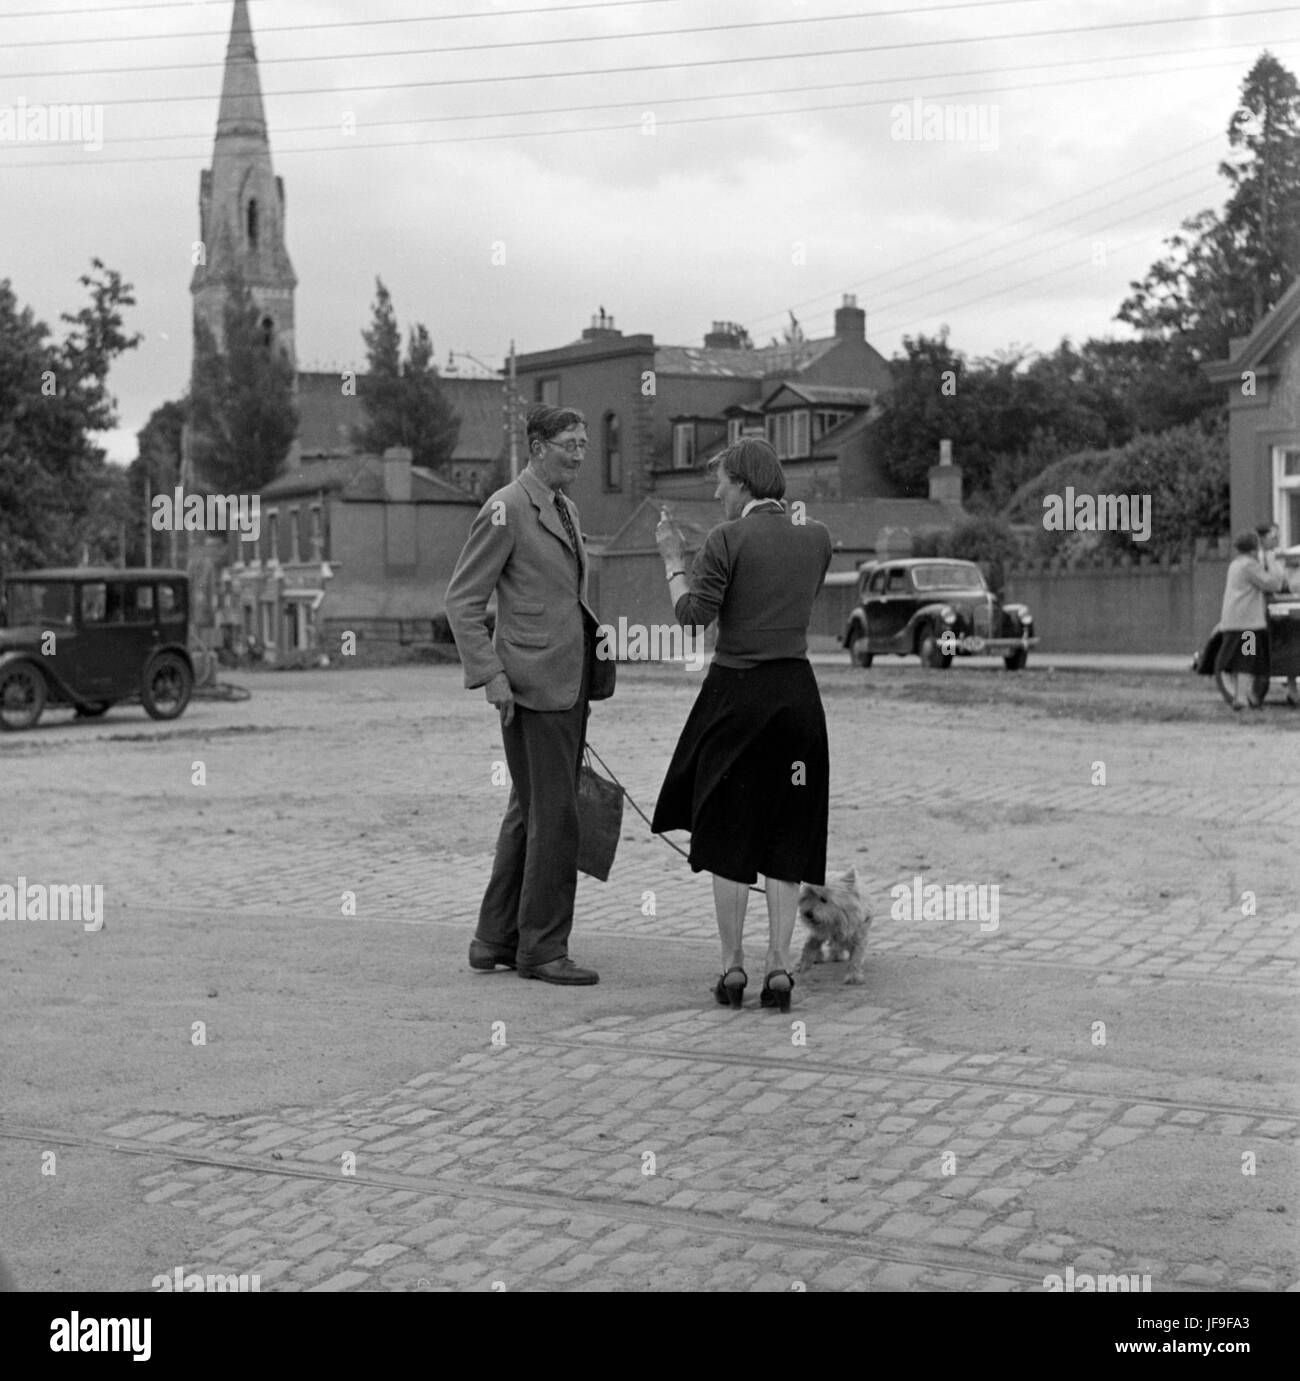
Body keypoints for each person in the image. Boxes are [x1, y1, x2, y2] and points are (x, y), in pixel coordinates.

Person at [652, 437, 833, 1012]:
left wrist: (671, 561)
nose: (716, 493)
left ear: (745, 484)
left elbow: (692, 619)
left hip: (737, 695)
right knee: (787, 833)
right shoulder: (818, 538)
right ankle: (778, 969)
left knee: (727, 830)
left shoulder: (724, 539)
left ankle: (732, 968)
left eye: (722, 483)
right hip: (798, 697)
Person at [445, 404, 613, 985]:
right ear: (537, 446)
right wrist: (491, 676)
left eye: (585, 442)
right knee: (555, 818)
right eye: (569, 442)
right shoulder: (506, 508)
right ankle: (542, 950)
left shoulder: (565, 508)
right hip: (532, 687)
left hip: (568, 684)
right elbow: (462, 602)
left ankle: (494, 938)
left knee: (528, 811)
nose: (580, 452)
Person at [1215, 531, 1287, 711]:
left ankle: (1243, 697)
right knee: (1247, 661)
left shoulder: (1236, 564)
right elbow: (1273, 584)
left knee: (1243, 661)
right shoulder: (1250, 566)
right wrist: (1271, 562)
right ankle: (1242, 699)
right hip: (1247, 625)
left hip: (1234, 622)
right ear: (1254, 548)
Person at [1256, 522, 1299, 706]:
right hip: (1253, 618)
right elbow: (1268, 583)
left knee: (1289, 645)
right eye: (1274, 536)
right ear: (1263, 538)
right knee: (1249, 653)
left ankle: (1292, 689)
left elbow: (1281, 581)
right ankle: (1250, 695)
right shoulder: (1256, 560)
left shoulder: (1275, 557)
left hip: (1273, 610)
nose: (1277, 540)